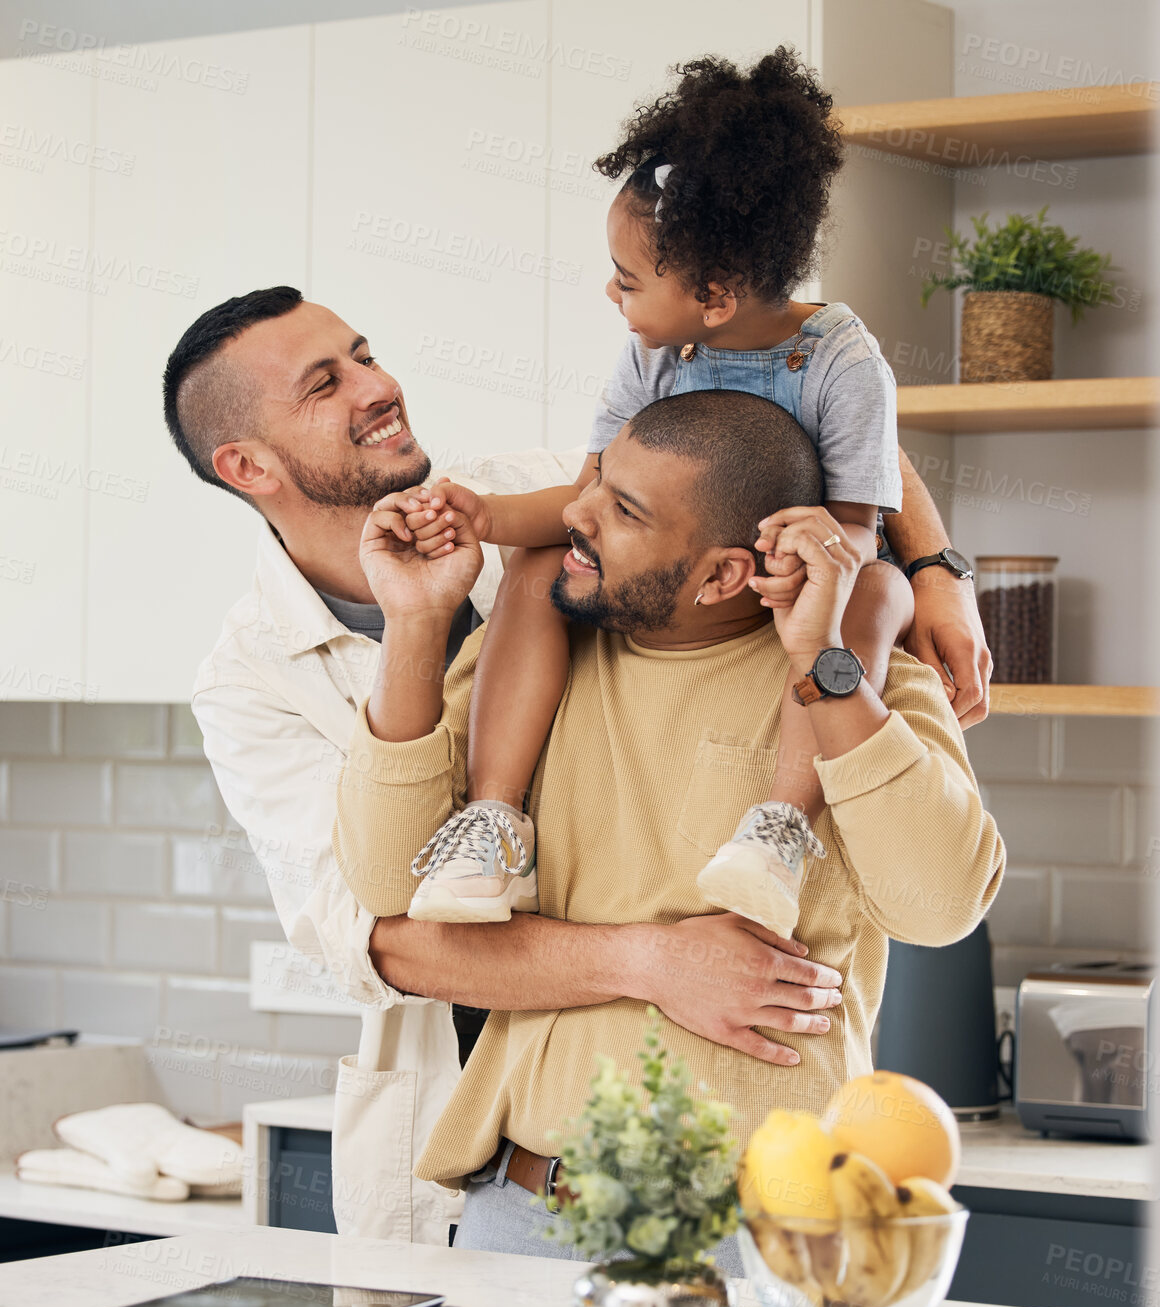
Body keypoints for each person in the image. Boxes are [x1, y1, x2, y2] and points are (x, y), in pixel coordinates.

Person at [166, 287, 860, 1246]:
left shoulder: (546, 498)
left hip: (718, 1134)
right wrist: (654, 961)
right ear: (246, 464)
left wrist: (938, 572)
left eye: (365, 351)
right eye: (327, 384)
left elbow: (809, 410)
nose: (379, 385)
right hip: (479, 1161)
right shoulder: (248, 682)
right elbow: (388, 944)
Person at [334, 388, 1005, 1264]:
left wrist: (825, 668)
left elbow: (940, 906)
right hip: (523, 1210)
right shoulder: (528, 670)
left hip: (756, 1231)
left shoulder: (858, 683)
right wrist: (415, 621)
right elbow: (387, 884)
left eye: (621, 508)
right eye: (600, 480)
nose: (573, 512)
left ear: (723, 573)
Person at [394, 49, 990, 947]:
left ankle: (780, 828)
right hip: (679, 572)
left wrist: (809, 571)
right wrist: (489, 516)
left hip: (802, 575)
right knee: (536, 563)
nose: (611, 292)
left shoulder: (841, 362)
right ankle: (494, 821)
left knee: (880, 593)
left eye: (627, 280)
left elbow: (859, 531)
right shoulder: (652, 352)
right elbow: (590, 495)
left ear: (712, 295)